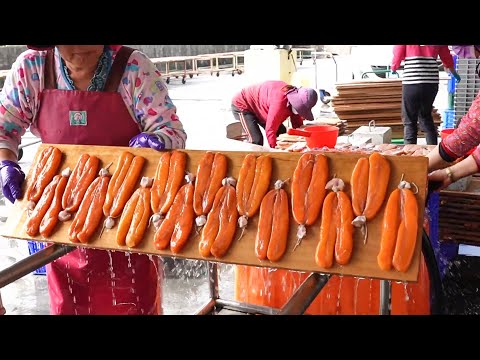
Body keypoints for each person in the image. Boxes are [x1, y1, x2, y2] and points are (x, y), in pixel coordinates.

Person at [0, 45, 187, 315]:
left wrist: (157, 139)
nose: (80, 52)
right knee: (71, 304)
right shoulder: (32, 68)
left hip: (129, 216)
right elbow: (6, 126)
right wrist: (6, 162)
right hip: (63, 219)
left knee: (134, 303)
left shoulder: (134, 67)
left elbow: (173, 131)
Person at [391, 45, 459, 145]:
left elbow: (398, 51)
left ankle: (409, 156)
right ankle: (432, 152)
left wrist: (394, 67)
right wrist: (453, 72)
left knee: (409, 120)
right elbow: (446, 55)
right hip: (431, 83)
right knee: (426, 116)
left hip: (412, 81)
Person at [231, 80, 318, 148]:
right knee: (256, 140)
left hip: (261, 106)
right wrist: (276, 150)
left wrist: (300, 140)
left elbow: (297, 124)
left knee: (282, 134)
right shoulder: (279, 103)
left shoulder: (295, 98)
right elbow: (270, 130)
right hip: (243, 105)